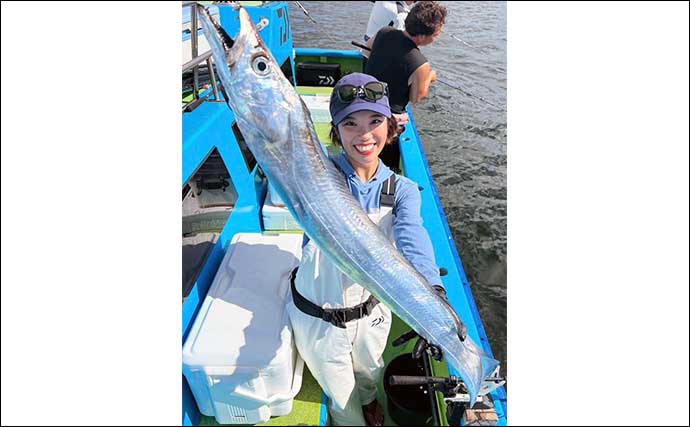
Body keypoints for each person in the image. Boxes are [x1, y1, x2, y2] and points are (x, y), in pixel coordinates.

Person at [287, 73, 446, 426]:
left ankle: (372, 404)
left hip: (372, 313)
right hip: (318, 317)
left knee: (370, 375)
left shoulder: (402, 189)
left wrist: (433, 291)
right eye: (350, 123)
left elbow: (413, 239)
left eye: (375, 121)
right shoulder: (318, 176)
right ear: (336, 131)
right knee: (343, 402)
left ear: (390, 127)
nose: (364, 135)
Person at [364, 1, 447, 169]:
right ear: (422, 37)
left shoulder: (384, 32)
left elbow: (367, 51)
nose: (436, 38)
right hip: (386, 121)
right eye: (436, 35)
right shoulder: (420, 64)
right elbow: (416, 97)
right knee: (386, 164)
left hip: (365, 101)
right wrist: (429, 77)